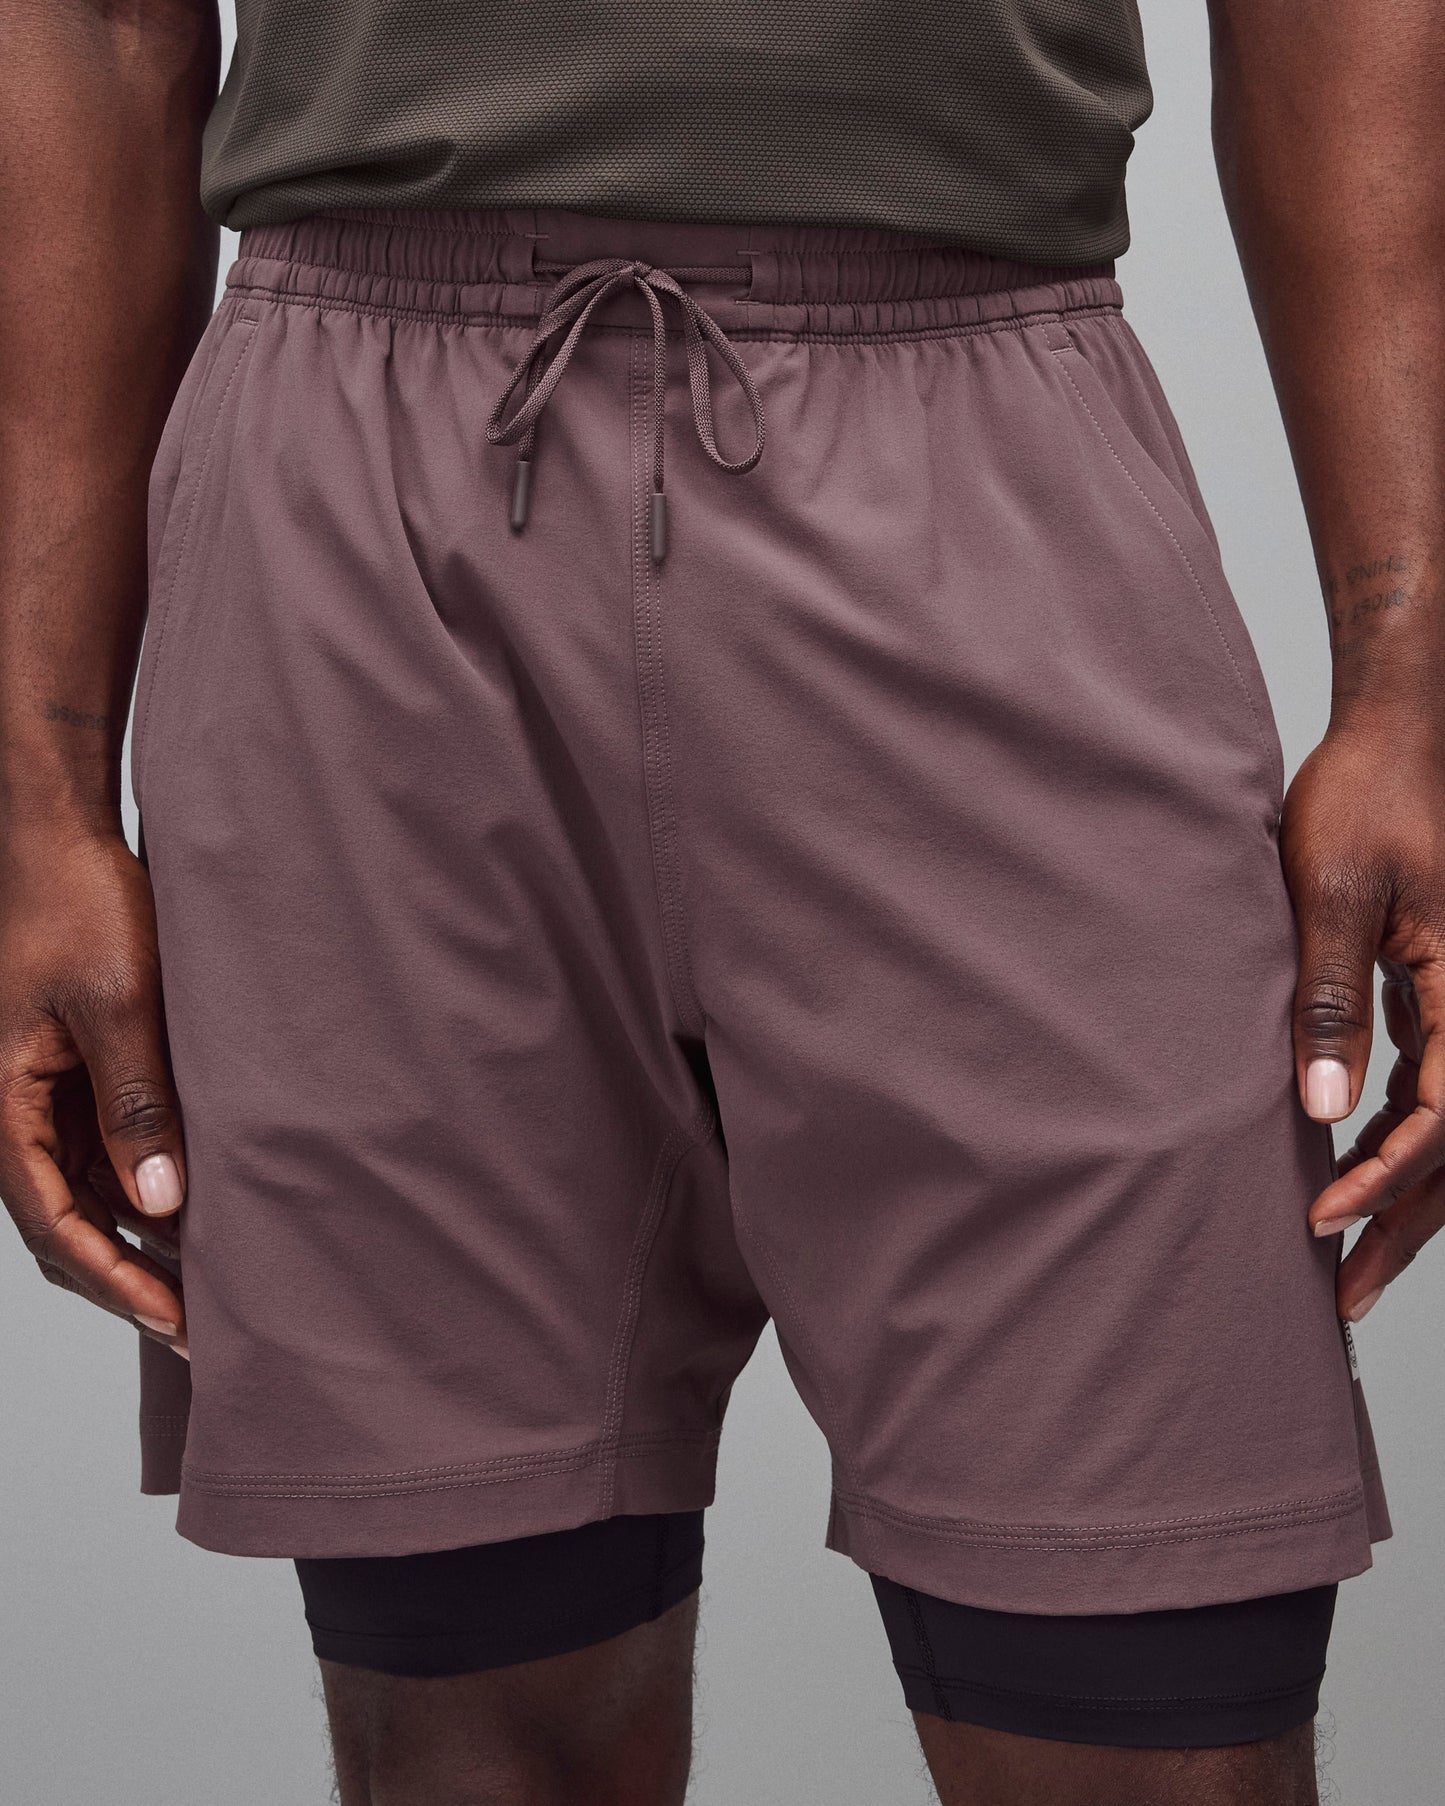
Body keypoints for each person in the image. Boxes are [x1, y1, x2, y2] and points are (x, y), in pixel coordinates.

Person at [1, 1, 1440, 1801]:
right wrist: (40, 792)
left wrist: (1410, 683)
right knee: (478, 1732)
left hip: (974, 441)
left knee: (1152, 1694)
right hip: (356, 517)